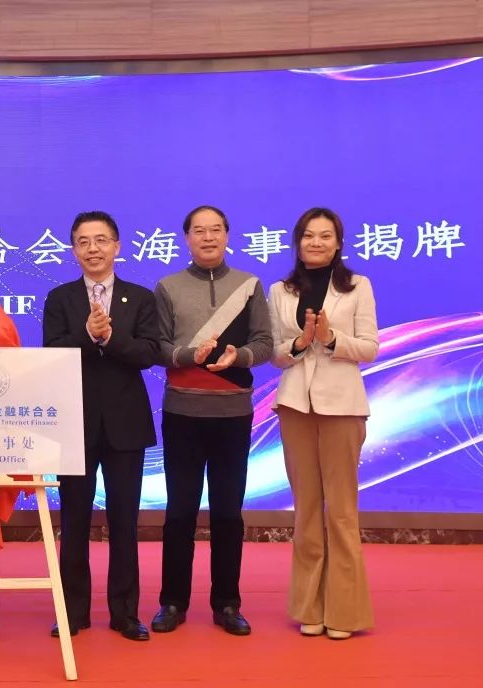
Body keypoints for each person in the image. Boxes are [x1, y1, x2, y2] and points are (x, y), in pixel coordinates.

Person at [151, 205, 272, 636]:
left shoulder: (249, 285)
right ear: (186, 238)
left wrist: (239, 356)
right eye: (199, 231)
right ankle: (172, 602)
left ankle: (227, 603)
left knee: (227, 513)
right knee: (179, 513)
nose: (208, 237)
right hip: (182, 413)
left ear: (227, 235)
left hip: (232, 415)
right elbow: (158, 347)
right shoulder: (167, 287)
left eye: (215, 230)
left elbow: (266, 342)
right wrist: (190, 355)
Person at [42, 210, 160, 641]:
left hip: (126, 423)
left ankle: (125, 613)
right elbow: (52, 353)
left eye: (101, 240)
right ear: (74, 250)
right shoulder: (60, 298)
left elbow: (149, 353)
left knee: (124, 521)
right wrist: (88, 335)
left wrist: (110, 338)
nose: (93, 249)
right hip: (75, 422)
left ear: (117, 247)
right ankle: (72, 611)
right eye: (83, 242)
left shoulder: (140, 298)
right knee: (74, 521)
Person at [269, 207, 378, 640]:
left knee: (342, 512)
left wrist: (331, 339)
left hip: (343, 408)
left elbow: (370, 347)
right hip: (296, 406)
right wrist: (298, 343)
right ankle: (309, 607)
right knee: (307, 511)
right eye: (308, 235)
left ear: (338, 243)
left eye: (325, 236)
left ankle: (345, 612)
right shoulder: (280, 290)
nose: (316, 242)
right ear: (298, 242)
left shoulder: (357, 286)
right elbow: (275, 353)